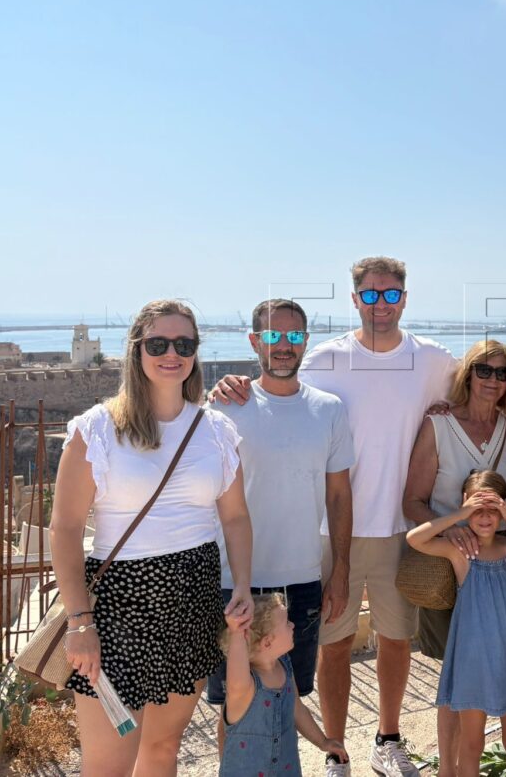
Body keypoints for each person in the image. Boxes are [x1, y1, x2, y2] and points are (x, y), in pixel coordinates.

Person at [213, 256, 457, 777]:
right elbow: (271, 388)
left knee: (396, 638)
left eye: (391, 295)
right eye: (370, 296)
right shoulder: (323, 358)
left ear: (405, 299)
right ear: (355, 300)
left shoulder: (435, 360)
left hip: (399, 526)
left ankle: (387, 739)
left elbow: (480, 396)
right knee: (334, 644)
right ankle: (335, 749)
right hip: (325, 534)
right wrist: (226, 386)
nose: (381, 305)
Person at [50, 299, 253, 777]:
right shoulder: (97, 430)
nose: (172, 354)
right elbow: (65, 528)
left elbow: (237, 518)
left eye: (184, 344)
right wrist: (80, 622)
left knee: (162, 749)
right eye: (158, 343)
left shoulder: (217, 431)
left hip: (192, 603)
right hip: (120, 610)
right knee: (107, 766)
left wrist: (242, 584)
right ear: (136, 350)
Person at [205, 297, 355, 751]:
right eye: (273, 335)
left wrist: (341, 570)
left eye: (293, 336)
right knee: (231, 703)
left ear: (306, 342)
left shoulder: (329, 409)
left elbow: (338, 494)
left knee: (289, 698)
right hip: (233, 582)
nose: (283, 345)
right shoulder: (225, 407)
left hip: (300, 582)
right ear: (255, 341)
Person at [402, 339, 506, 777]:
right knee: (454, 679)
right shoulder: (438, 426)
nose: (493, 380)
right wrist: (453, 528)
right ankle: (449, 771)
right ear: (468, 374)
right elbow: (413, 501)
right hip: (449, 564)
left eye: (502, 373)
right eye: (484, 370)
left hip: (504, 569)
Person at [406, 472, 506, 777]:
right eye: (476, 508)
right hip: (473, 661)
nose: (484, 517)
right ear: (465, 505)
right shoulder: (460, 551)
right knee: (471, 743)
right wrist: (460, 515)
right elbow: (414, 539)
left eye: (492, 509)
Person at [219, 594, 347, 776]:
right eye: (287, 623)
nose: (293, 625)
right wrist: (237, 632)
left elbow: (298, 710)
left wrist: (323, 742)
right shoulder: (244, 686)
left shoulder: (285, 665)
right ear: (267, 642)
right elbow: (236, 670)